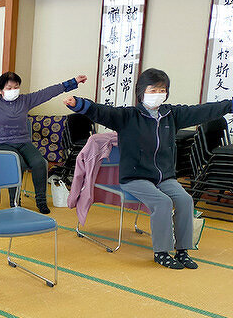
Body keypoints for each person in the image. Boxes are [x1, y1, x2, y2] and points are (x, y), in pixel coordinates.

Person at [64, 67, 232, 270]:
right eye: (153, 90)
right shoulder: (128, 116)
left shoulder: (172, 114)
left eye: (162, 90)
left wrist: (229, 105)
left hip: (164, 177)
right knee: (162, 203)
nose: (158, 94)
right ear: (141, 92)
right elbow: (101, 112)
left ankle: (182, 250)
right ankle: (161, 252)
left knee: (185, 200)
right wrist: (79, 104)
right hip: (136, 178)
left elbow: (203, 111)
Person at [0, 72, 87, 215]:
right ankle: (15, 201)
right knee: (18, 164)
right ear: (0, 90)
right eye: (9, 88)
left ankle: (41, 201)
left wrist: (73, 82)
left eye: (16, 87)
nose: (13, 91)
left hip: (22, 142)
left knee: (40, 163)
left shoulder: (25, 100)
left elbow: (48, 92)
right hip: (1, 143)